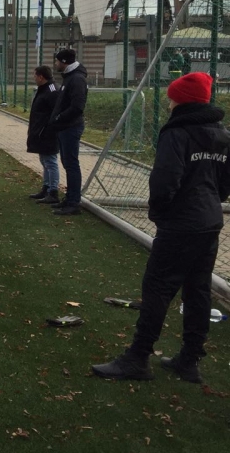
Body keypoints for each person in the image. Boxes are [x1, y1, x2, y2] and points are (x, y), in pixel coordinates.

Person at [92, 72, 230, 383]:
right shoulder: (222, 134)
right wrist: (209, 202)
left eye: (171, 98)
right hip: (209, 221)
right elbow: (225, 183)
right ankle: (189, 360)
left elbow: (165, 180)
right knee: (198, 289)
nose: (168, 104)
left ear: (181, 100)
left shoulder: (177, 133)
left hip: (181, 224)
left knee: (157, 288)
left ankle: (138, 358)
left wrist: (160, 213)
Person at [48, 48, 88, 215]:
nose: (55, 63)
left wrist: (59, 118)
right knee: (67, 163)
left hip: (70, 127)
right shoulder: (69, 77)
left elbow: (77, 107)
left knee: (71, 165)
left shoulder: (77, 79)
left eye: (57, 61)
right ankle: (70, 198)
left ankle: (73, 202)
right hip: (65, 127)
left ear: (64, 62)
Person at [26, 65, 60, 204]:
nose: (33, 78)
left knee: (50, 161)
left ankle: (53, 191)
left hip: (47, 132)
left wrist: (48, 129)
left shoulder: (52, 91)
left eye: (35, 75)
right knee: (44, 160)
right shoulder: (43, 89)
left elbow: (56, 112)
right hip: (40, 131)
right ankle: (46, 188)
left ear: (41, 77)